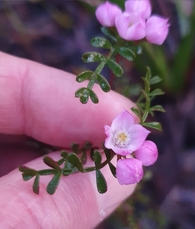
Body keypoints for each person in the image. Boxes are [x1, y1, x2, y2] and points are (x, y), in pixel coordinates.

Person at [0, 51, 136, 228]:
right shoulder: (112, 136)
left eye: (124, 137)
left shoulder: (125, 138)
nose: (122, 137)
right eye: (120, 135)